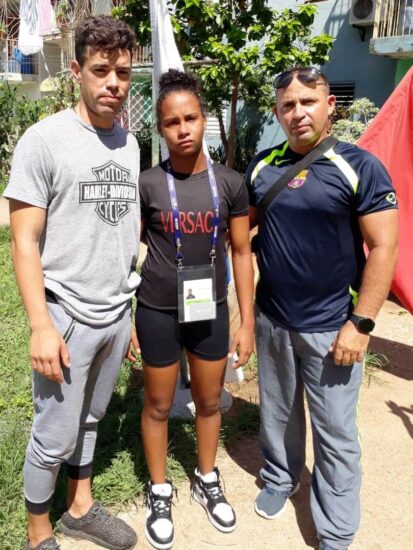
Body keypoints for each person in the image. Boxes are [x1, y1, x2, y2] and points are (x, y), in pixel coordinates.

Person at [247, 67, 398, 550]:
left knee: (334, 431)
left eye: (307, 103)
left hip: (332, 327)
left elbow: (385, 248)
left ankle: (334, 530)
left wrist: (361, 324)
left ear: (330, 105)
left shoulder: (360, 166)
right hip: (272, 319)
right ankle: (280, 477)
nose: (298, 113)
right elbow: (241, 237)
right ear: (277, 112)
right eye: (288, 105)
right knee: (277, 414)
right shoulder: (261, 167)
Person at [3, 16, 141, 550]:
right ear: (77, 70)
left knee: (91, 419)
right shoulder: (45, 141)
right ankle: (39, 535)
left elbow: (123, 230)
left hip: (114, 310)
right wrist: (40, 325)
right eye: (101, 70)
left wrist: (127, 310)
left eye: (123, 72)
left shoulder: (129, 143)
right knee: (53, 433)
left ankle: (78, 507)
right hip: (65, 313)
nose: (113, 83)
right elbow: (23, 241)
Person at [136, 69, 254, 550]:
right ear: (160, 129)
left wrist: (245, 322)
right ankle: (160, 488)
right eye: (171, 122)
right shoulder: (146, 184)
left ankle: (207, 477)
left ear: (205, 119)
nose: (182, 129)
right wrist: (129, 323)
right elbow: (129, 255)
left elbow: (242, 253)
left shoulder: (229, 183)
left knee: (208, 401)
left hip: (209, 310)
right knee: (159, 404)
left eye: (190, 118)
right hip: (158, 309)